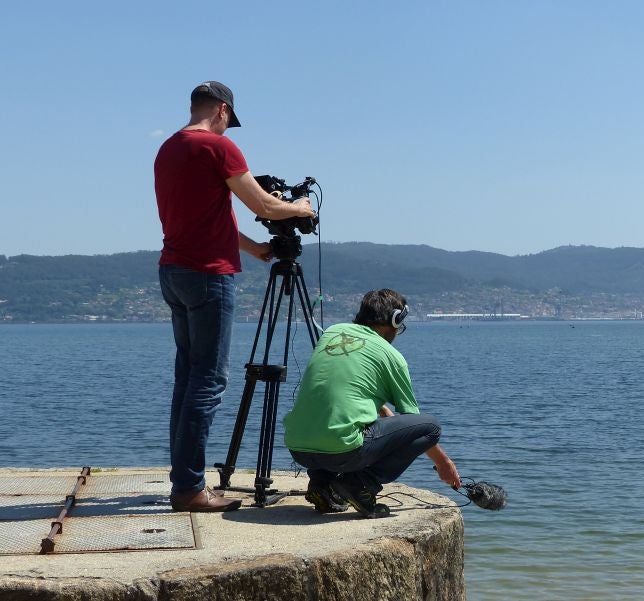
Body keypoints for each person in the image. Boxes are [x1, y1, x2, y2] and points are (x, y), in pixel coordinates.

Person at [154, 80, 316, 512]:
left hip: (174, 270)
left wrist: (257, 250)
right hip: (207, 276)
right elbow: (262, 206)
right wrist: (300, 208)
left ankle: (184, 480)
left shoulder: (168, 149)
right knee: (208, 382)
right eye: (229, 122)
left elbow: (214, 217)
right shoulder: (218, 148)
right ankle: (189, 489)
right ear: (223, 111)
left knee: (188, 379)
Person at [283, 289, 461, 518]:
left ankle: (321, 484)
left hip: (298, 448)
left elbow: (342, 390)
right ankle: (361, 485)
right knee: (430, 427)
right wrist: (443, 462)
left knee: (328, 419)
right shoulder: (392, 356)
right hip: (342, 453)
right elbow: (412, 423)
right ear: (395, 320)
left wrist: (383, 410)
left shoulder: (332, 332)